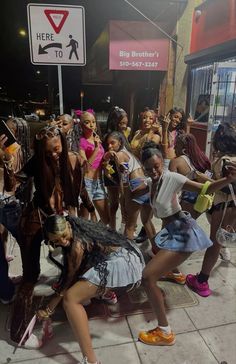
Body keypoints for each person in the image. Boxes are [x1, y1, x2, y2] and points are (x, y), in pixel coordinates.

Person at [137, 141, 236, 345]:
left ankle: (165, 332)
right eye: (148, 168)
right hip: (170, 232)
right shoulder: (150, 182)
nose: (154, 171)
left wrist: (227, 180)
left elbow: (204, 189)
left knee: (147, 278)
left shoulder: (172, 177)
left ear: (162, 164)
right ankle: (176, 273)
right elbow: (138, 193)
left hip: (183, 232)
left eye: (157, 166)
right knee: (157, 252)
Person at [4, 125, 95, 347]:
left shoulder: (72, 159)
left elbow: (81, 189)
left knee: (77, 259)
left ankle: (73, 297)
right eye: (48, 152)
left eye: (57, 150)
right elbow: (13, 185)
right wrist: (6, 165)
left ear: (63, 144)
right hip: (34, 223)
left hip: (61, 222)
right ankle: (18, 333)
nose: (54, 155)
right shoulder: (37, 162)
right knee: (31, 275)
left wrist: (92, 212)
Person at [37, 214, 145, 364]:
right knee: (86, 273)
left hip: (124, 264)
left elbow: (67, 282)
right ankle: (106, 294)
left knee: (70, 299)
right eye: (56, 241)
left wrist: (48, 309)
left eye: (63, 236)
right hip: (128, 253)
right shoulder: (79, 227)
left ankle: (91, 361)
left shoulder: (77, 245)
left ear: (68, 225)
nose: (62, 241)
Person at [186, 122, 236, 296]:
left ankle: (201, 281)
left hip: (225, 207)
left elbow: (225, 186)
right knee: (220, 242)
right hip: (231, 207)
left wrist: (202, 179)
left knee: (215, 244)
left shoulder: (225, 161)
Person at [104, 132, 156, 242]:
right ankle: (156, 250)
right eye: (108, 144)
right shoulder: (127, 153)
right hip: (145, 185)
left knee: (129, 226)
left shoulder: (120, 156)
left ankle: (128, 254)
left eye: (112, 143)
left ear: (120, 142)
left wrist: (124, 201)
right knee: (146, 222)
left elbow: (124, 181)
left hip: (135, 186)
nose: (109, 146)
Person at [79, 111, 109, 225]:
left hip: (99, 182)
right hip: (87, 183)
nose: (91, 125)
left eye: (93, 122)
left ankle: (95, 233)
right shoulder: (82, 142)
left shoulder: (97, 139)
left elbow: (100, 160)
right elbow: (85, 166)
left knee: (106, 219)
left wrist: (107, 158)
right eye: (87, 122)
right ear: (81, 126)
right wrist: (96, 149)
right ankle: (86, 241)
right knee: (84, 221)